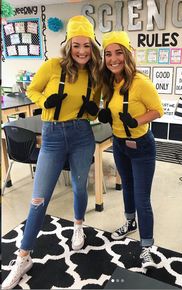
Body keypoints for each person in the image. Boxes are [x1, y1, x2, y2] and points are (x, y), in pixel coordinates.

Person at [2, 15, 101, 290]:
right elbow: (32, 89)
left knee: (81, 188)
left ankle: (78, 225)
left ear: (93, 47)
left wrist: (94, 110)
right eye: (77, 45)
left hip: (82, 135)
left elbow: (96, 103)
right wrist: (46, 100)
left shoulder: (95, 73)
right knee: (38, 198)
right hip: (53, 136)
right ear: (68, 44)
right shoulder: (52, 66)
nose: (82, 51)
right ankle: (23, 257)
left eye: (87, 46)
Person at [98, 31, 164, 269]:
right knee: (126, 187)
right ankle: (129, 223)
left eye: (118, 53)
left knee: (142, 198)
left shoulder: (140, 82)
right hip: (118, 143)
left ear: (127, 55)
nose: (113, 59)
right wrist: (104, 113)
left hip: (142, 147)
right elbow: (109, 107)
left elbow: (158, 110)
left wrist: (136, 121)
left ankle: (146, 246)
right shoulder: (108, 83)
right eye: (108, 54)